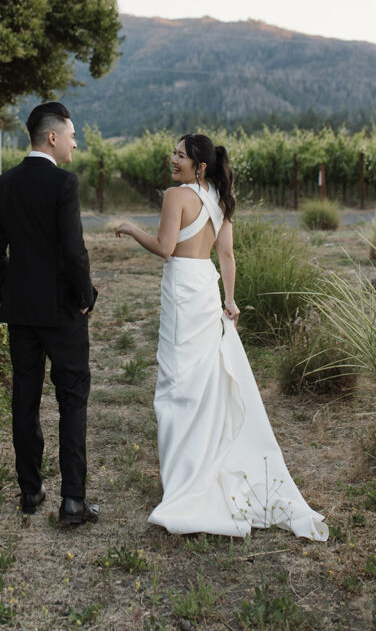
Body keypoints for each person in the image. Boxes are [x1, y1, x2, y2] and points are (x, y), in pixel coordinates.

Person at [115, 134, 328, 540]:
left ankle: (182, 482)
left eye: (180, 155)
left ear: (199, 165)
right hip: (206, 289)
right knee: (204, 380)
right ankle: (202, 463)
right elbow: (226, 255)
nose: (172, 158)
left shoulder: (176, 196)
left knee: (177, 384)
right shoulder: (219, 197)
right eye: (174, 152)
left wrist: (129, 229)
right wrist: (229, 300)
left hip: (182, 288)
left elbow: (164, 248)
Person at [0, 102, 99, 525]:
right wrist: (85, 295)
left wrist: (9, 293)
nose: (74, 141)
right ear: (52, 137)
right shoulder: (63, 184)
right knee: (72, 399)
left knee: (25, 399)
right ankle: (72, 502)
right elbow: (73, 251)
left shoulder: (5, 183)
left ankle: (30, 492)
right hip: (63, 312)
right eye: (71, 134)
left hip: (21, 313)